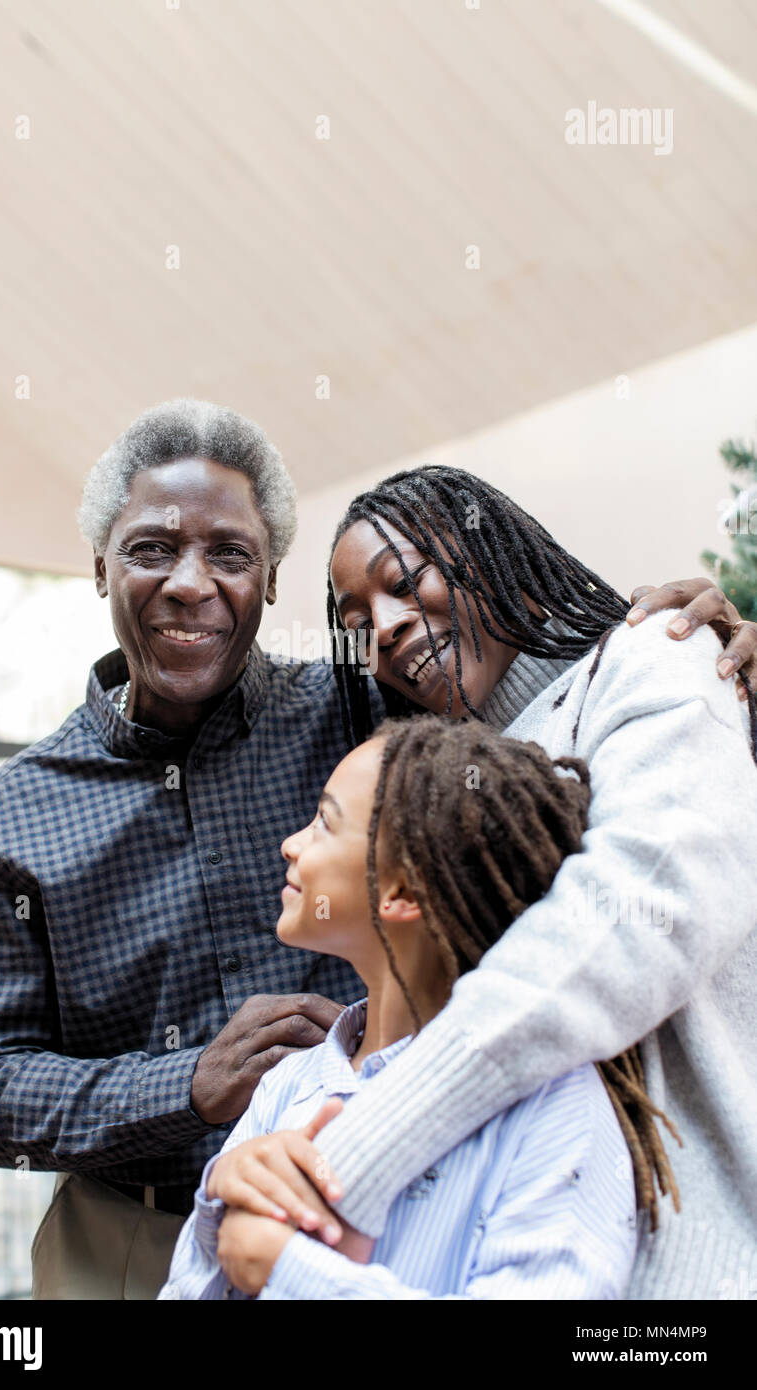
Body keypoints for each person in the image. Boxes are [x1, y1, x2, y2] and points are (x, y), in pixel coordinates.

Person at [0, 399, 756, 1300]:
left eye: (231, 555)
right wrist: (185, 1086)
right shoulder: (13, 813)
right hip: (126, 1241)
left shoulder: (376, 715)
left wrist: (713, 662)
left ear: (273, 579)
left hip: (388, 1213)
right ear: (100, 566)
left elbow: (539, 718)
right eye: (153, 549)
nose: (189, 583)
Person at [200, 465, 757, 1301]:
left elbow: (641, 916)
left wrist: (343, 1162)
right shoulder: (433, 788)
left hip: (688, 1269)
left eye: (405, 581)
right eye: (355, 623)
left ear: (489, 549)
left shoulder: (651, 660)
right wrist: (247, 1176)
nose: (383, 628)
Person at [160, 717, 679, 1299]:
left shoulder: (554, 1106)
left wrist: (293, 1274)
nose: (292, 843)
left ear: (403, 892)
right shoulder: (288, 1082)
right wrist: (221, 1204)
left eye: (324, 823)